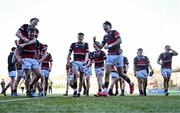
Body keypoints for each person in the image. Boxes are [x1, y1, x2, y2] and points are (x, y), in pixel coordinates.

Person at [93, 21, 134, 96]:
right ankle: (105, 91)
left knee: (121, 74)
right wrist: (95, 42)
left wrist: (110, 46)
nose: (104, 27)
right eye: (103, 26)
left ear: (110, 26)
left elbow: (119, 41)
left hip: (118, 55)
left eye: (106, 26)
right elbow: (101, 46)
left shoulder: (114, 32)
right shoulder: (105, 36)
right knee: (107, 73)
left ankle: (131, 83)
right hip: (110, 56)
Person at [15, 29, 45, 97]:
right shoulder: (23, 40)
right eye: (30, 32)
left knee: (39, 74)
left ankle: (31, 85)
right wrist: (19, 59)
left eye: (33, 32)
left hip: (34, 60)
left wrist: (38, 59)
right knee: (27, 75)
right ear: (28, 32)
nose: (32, 33)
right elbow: (17, 51)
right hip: (25, 59)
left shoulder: (36, 42)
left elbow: (41, 50)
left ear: (35, 33)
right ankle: (28, 91)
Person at [66, 32, 89, 97]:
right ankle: (75, 90)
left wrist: (85, 61)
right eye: (79, 36)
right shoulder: (73, 44)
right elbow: (69, 53)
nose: (80, 37)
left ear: (83, 37)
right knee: (75, 75)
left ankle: (79, 91)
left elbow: (87, 54)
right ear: (77, 37)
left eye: (81, 36)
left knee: (81, 78)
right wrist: (67, 61)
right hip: (75, 62)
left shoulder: (85, 44)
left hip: (82, 62)